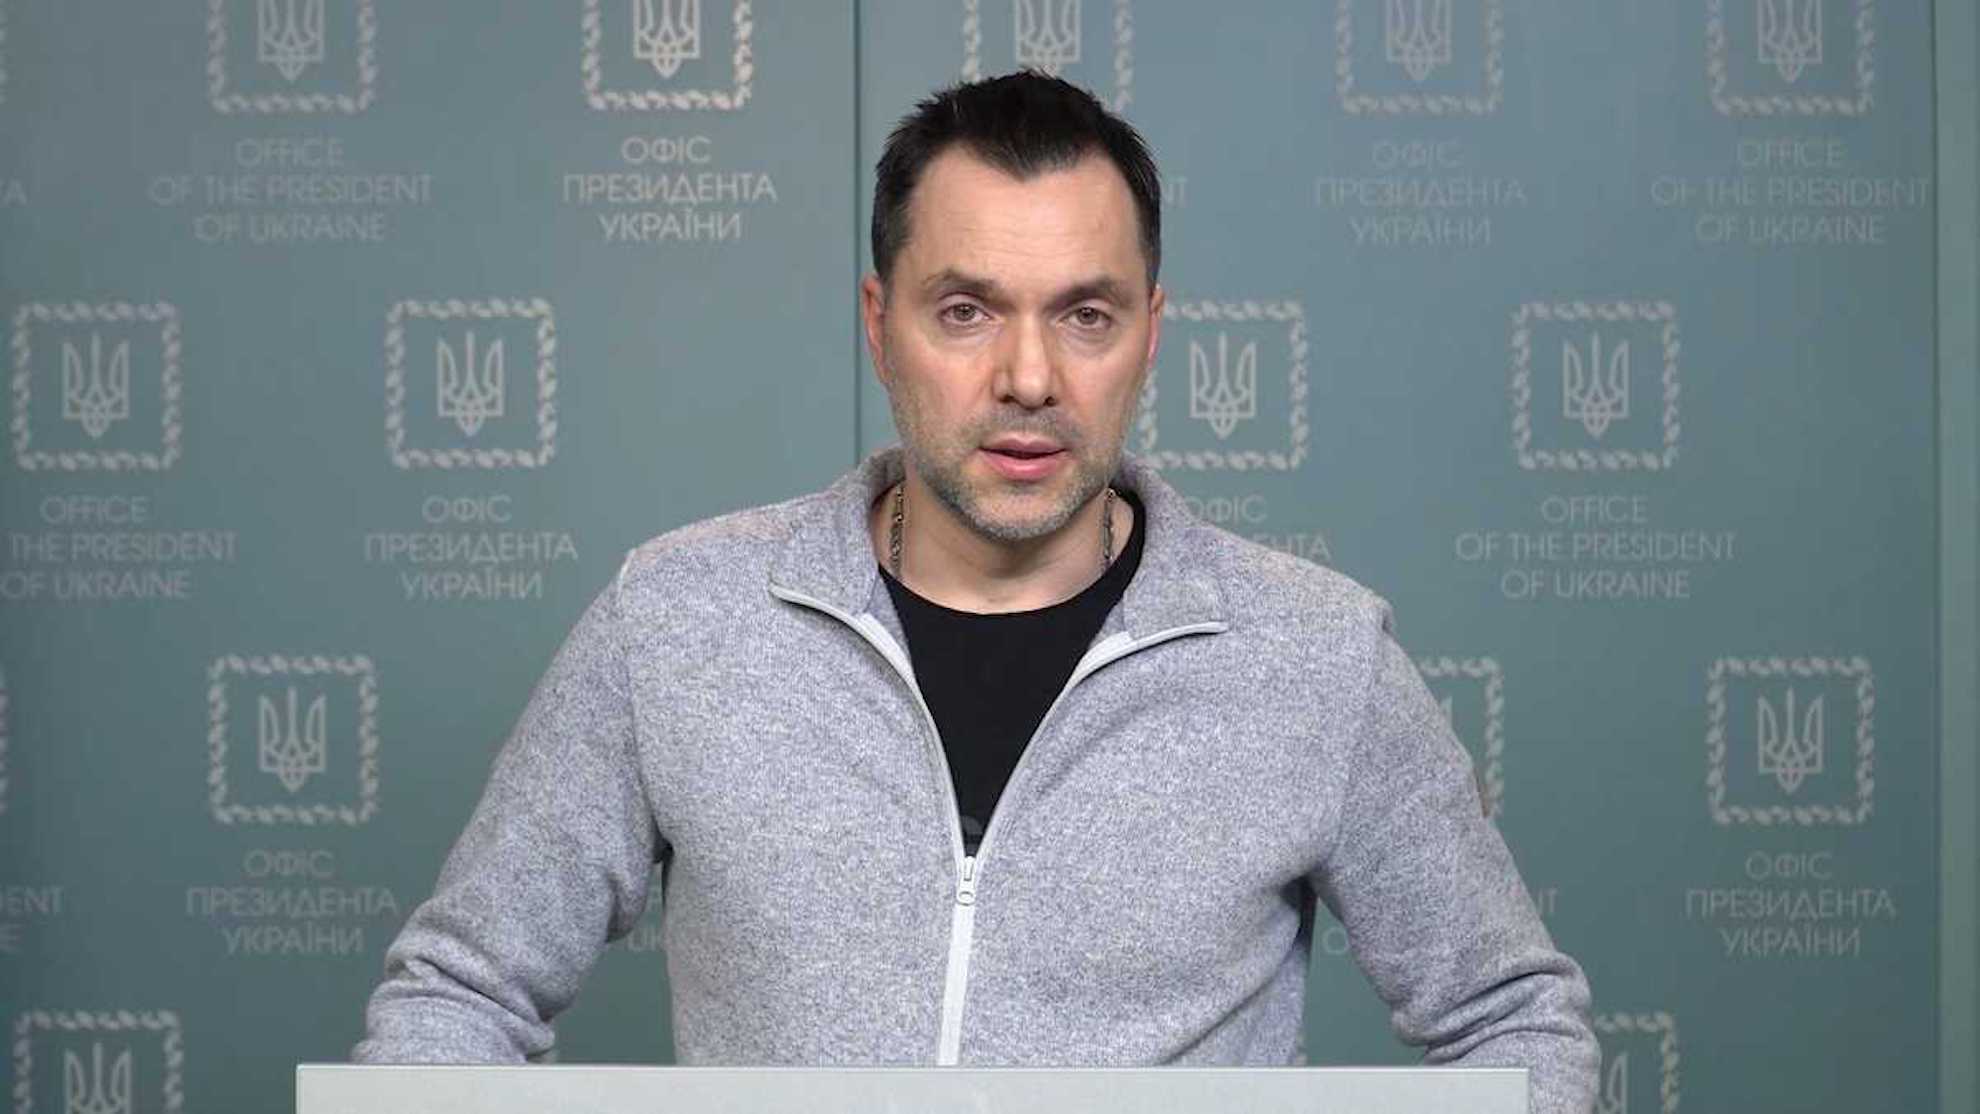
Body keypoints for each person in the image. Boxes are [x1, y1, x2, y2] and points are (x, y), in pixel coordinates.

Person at [353, 71, 1598, 1113]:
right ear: (878, 323)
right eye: (966, 311)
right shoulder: (678, 620)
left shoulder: (1317, 655)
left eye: (1087, 315)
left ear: (1152, 333)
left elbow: (1516, 1025)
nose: (1029, 376)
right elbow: (458, 999)